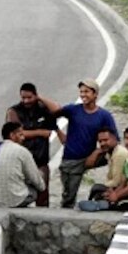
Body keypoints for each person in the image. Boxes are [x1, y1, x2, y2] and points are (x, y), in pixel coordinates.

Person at [38, 80, 117, 209]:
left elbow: (114, 140)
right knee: (68, 196)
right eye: (81, 92)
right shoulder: (73, 110)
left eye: (86, 91)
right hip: (71, 159)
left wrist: (96, 152)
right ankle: (66, 212)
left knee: (118, 155)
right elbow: (55, 111)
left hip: (92, 156)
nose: (83, 95)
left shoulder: (104, 116)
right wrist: (58, 132)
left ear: (95, 94)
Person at [5, 82, 63, 207]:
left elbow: (57, 109)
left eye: (29, 97)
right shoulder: (14, 111)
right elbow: (15, 133)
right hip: (21, 161)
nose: (26, 101)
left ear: (35, 96)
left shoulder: (43, 109)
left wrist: (41, 98)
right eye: (23, 98)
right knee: (19, 195)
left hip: (40, 161)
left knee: (43, 194)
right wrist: (40, 132)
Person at [79, 125, 128, 212]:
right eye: (127, 138)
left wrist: (117, 196)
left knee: (114, 204)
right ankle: (102, 204)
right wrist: (115, 195)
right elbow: (123, 182)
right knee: (107, 197)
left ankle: (101, 205)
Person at [0, 122, 46, 208]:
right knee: (35, 187)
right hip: (15, 200)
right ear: (12, 135)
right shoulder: (22, 151)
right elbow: (39, 183)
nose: (23, 138)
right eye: (20, 135)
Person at [82, 127, 128, 205]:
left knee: (97, 191)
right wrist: (97, 152)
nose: (102, 144)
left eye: (106, 140)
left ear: (115, 139)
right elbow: (88, 164)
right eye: (100, 141)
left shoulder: (119, 154)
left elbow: (117, 181)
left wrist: (106, 187)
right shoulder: (110, 153)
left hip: (124, 189)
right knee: (96, 189)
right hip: (119, 186)